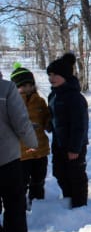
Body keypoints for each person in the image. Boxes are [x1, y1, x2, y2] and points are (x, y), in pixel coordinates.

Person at [0, 68, 38, 232]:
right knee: (14, 200)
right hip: (6, 157)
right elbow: (21, 122)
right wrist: (32, 143)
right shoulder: (6, 89)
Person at [46, 53, 89, 209]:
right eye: (49, 74)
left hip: (74, 145)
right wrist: (49, 124)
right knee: (59, 172)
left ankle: (79, 205)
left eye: (55, 74)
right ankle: (68, 198)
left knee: (75, 175)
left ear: (65, 75)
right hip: (59, 143)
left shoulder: (75, 97)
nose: (52, 78)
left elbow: (80, 125)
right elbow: (53, 116)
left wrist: (74, 148)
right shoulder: (53, 95)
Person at [10, 63, 51, 210]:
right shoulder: (12, 102)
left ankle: (38, 203)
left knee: (39, 179)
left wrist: (49, 122)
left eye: (30, 85)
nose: (27, 89)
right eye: (23, 86)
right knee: (21, 182)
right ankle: (19, 205)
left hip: (40, 149)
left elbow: (46, 117)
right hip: (21, 153)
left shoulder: (39, 101)